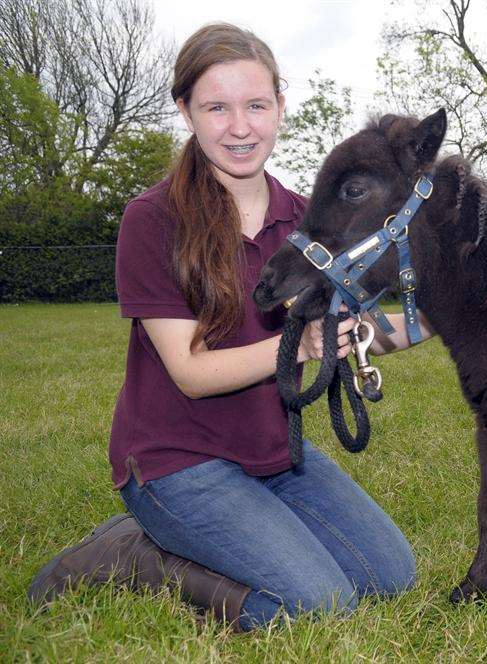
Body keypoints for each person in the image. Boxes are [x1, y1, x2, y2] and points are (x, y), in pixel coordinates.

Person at [28, 22, 432, 631]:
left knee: (391, 576)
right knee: (319, 605)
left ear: (280, 106)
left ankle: (252, 523)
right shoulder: (153, 220)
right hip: (177, 462)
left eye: (256, 105)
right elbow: (191, 373)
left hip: (273, 454)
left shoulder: (307, 216)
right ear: (186, 110)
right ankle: (136, 554)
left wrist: (453, 318)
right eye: (216, 107)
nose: (240, 127)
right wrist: (303, 345)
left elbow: (361, 328)